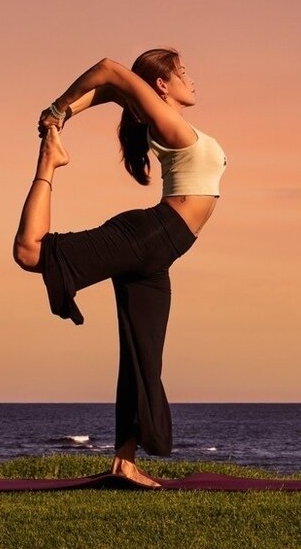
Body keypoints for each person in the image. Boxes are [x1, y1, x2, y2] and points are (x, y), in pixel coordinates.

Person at [12, 48, 228, 488]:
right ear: (161, 86)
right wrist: (57, 109)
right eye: (182, 72)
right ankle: (48, 166)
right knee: (30, 252)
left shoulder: (168, 123)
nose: (191, 79)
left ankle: (124, 462)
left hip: (159, 251)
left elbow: (111, 91)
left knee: (140, 356)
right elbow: (110, 71)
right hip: (151, 235)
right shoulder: (172, 126)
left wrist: (65, 114)